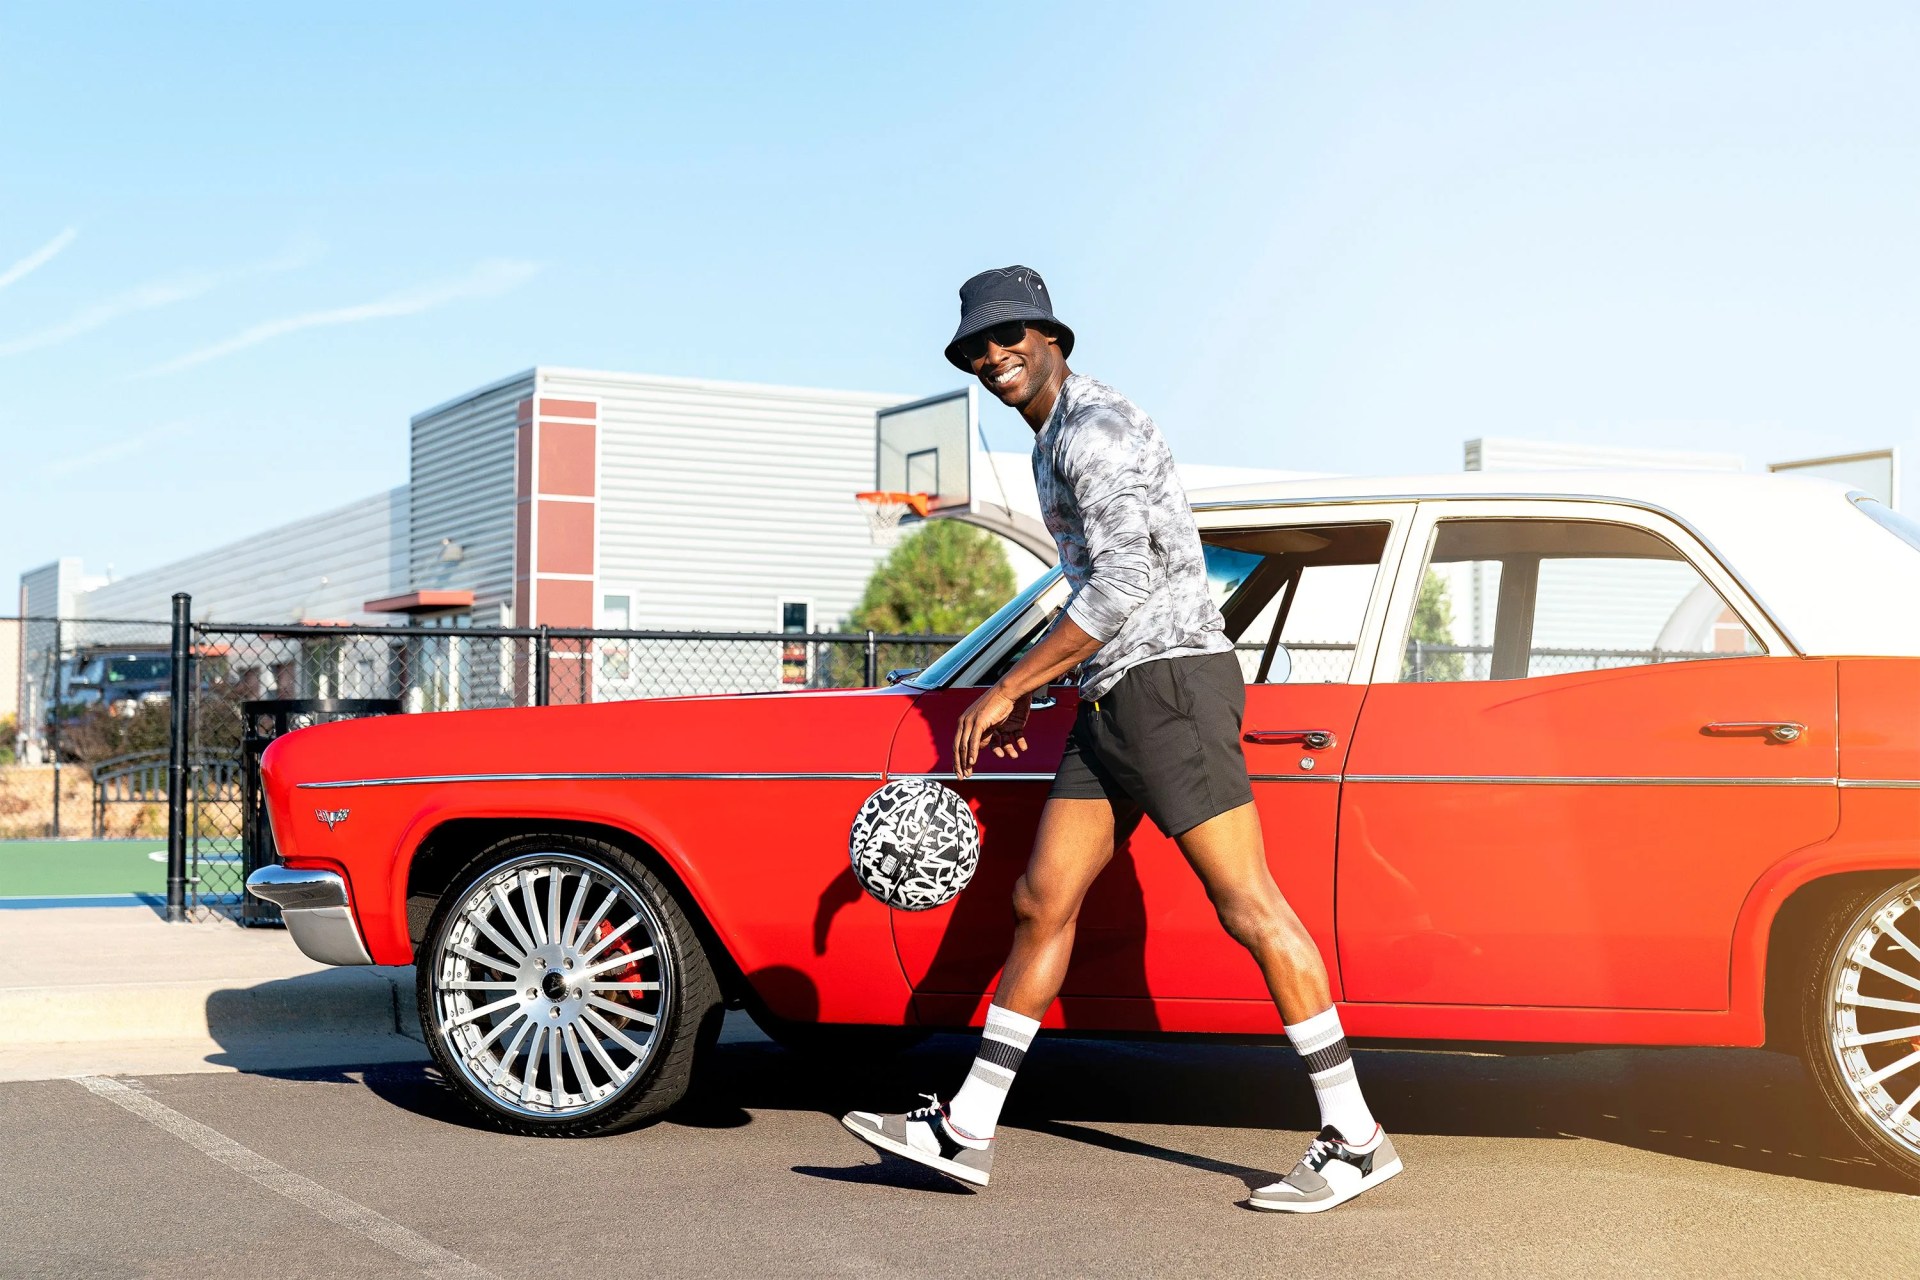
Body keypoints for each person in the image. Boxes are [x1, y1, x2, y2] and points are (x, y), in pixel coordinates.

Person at [840, 266, 1402, 1212]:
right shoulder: (1055, 434)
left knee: (1250, 908)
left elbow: (1124, 582)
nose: (993, 356)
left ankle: (1355, 1137)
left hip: (1168, 684)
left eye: (1009, 336)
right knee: (1040, 900)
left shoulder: (1091, 432)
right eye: (977, 347)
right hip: (1114, 694)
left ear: (1054, 337)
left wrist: (1012, 684)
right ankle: (967, 1130)